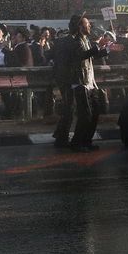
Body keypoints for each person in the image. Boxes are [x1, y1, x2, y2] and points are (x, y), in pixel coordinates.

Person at [50, 14, 106, 151]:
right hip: (79, 82)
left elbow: (90, 55)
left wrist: (105, 49)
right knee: (83, 114)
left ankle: (85, 140)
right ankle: (76, 142)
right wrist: (98, 46)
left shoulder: (85, 39)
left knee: (92, 113)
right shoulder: (73, 41)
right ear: (79, 27)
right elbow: (82, 54)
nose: (90, 26)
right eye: (87, 24)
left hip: (88, 81)